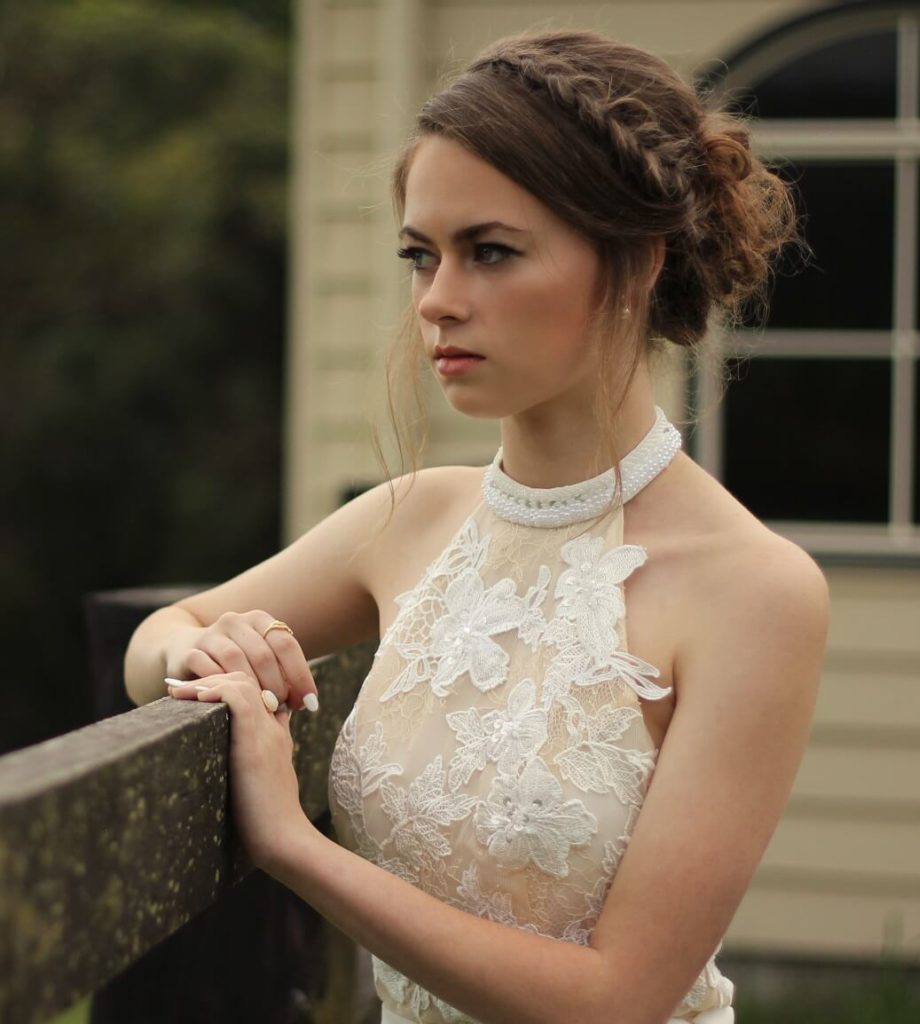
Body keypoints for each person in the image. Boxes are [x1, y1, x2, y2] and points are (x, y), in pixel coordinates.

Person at [125, 28, 829, 1024]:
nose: (438, 302)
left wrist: (291, 844)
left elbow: (613, 1000)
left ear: (632, 262)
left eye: (489, 252)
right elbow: (150, 640)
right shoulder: (409, 519)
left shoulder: (754, 590)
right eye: (421, 256)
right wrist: (207, 647)